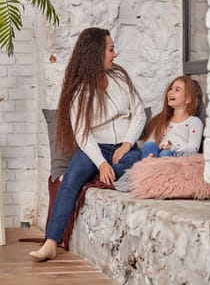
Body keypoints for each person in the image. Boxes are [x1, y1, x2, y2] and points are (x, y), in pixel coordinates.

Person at [29, 27, 146, 261]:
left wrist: (126, 144)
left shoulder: (120, 78)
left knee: (138, 164)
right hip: (95, 149)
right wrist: (102, 164)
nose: (115, 54)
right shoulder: (80, 90)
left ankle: (101, 174)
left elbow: (139, 113)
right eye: (111, 49)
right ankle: (51, 242)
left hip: (124, 148)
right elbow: (82, 134)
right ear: (96, 52)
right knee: (72, 177)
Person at [141, 76, 203, 159]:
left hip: (178, 158)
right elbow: (151, 141)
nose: (170, 92)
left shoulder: (194, 122)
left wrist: (172, 147)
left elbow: (193, 148)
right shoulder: (163, 119)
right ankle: (149, 164)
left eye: (177, 89)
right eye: (170, 89)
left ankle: (153, 166)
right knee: (149, 145)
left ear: (188, 99)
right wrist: (161, 146)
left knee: (165, 154)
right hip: (160, 153)